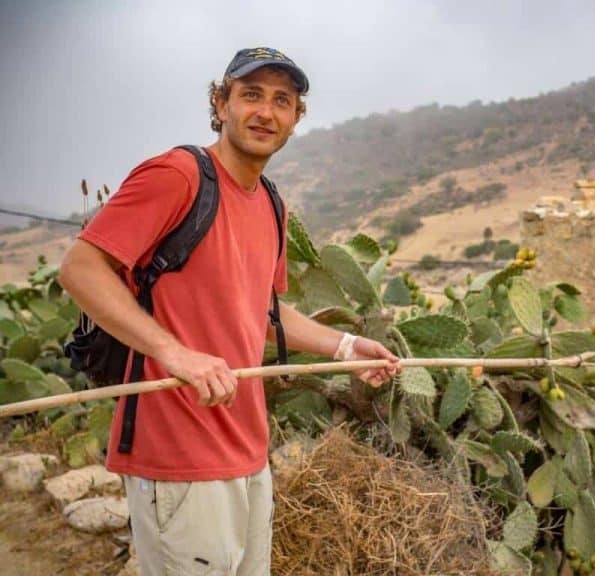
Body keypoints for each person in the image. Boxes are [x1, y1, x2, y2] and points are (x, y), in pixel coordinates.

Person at [59, 47, 400, 576]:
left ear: (295, 119)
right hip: (178, 456)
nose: (265, 112)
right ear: (220, 104)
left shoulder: (270, 203)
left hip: (247, 452)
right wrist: (173, 352)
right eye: (251, 95)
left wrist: (347, 347)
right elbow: (80, 268)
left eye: (281, 101)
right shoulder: (177, 176)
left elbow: (262, 313)